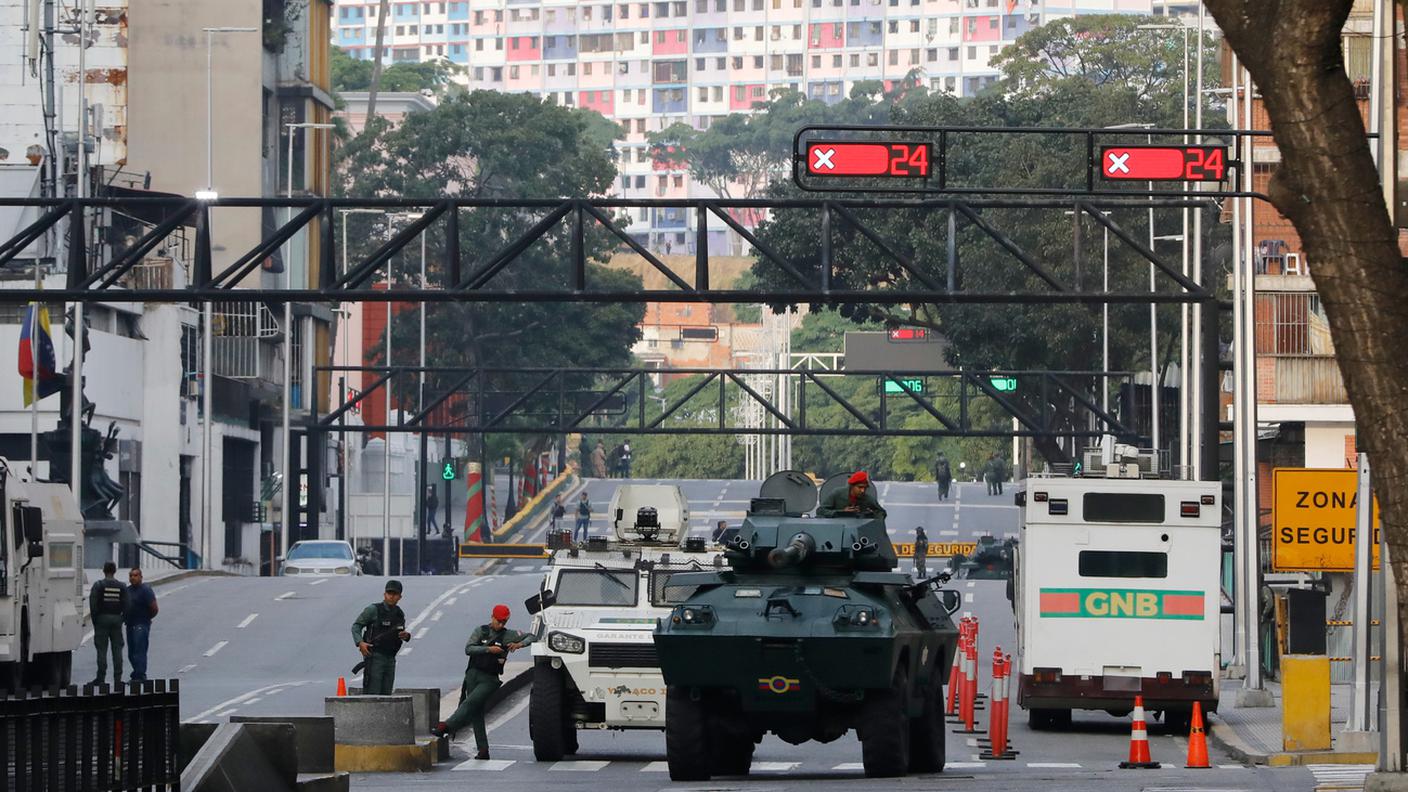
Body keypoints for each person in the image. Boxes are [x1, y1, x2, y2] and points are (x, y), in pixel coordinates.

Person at [432, 604, 535, 759]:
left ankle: (446, 726)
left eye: (504, 622)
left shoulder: (509, 635)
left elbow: (532, 636)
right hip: (473, 674)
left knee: (470, 703)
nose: (500, 625)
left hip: (490, 679)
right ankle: (483, 750)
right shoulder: (481, 631)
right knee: (476, 713)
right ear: (492, 617)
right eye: (498, 621)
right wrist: (488, 649)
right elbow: (469, 649)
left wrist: (520, 644)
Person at [351, 579, 411, 695]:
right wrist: (360, 643)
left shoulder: (399, 614)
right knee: (373, 692)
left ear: (400, 597)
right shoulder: (373, 610)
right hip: (375, 656)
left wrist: (406, 635)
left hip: (390, 658)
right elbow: (356, 626)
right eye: (389, 593)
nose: (391, 597)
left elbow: (400, 633)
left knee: (387, 693)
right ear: (384, 594)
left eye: (395, 594)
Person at [88, 561, 127, 686]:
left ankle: (101, 678)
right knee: (117, 650)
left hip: (102, 619)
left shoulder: (98, 585)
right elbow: (127, 604)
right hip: (116, 619)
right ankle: (117, 679)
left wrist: (96, 620)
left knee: (101, 650)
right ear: (115, 570)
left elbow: (93, 605)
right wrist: (122, 618)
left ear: (103, 570)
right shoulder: (122, 586)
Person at [124, 567, 158, 682]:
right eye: (131, 576)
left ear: (141, 577)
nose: (132, 578)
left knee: (140, 650)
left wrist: (146, 619)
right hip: (130, 624)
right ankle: (136, 673)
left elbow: (154, 608)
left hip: (141, 624)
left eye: (135, 575)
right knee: (131, 652)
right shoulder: (127, 590)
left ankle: (140, 675)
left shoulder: (146, 590)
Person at [818, 471, 887, 518]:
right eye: (860, 487)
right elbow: (820, 511)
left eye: (865, 488)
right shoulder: (837, 494)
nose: (862, 491)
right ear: (852, 486)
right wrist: (842, 512)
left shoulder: (867, 499)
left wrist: (868, 514)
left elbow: (882, 513)